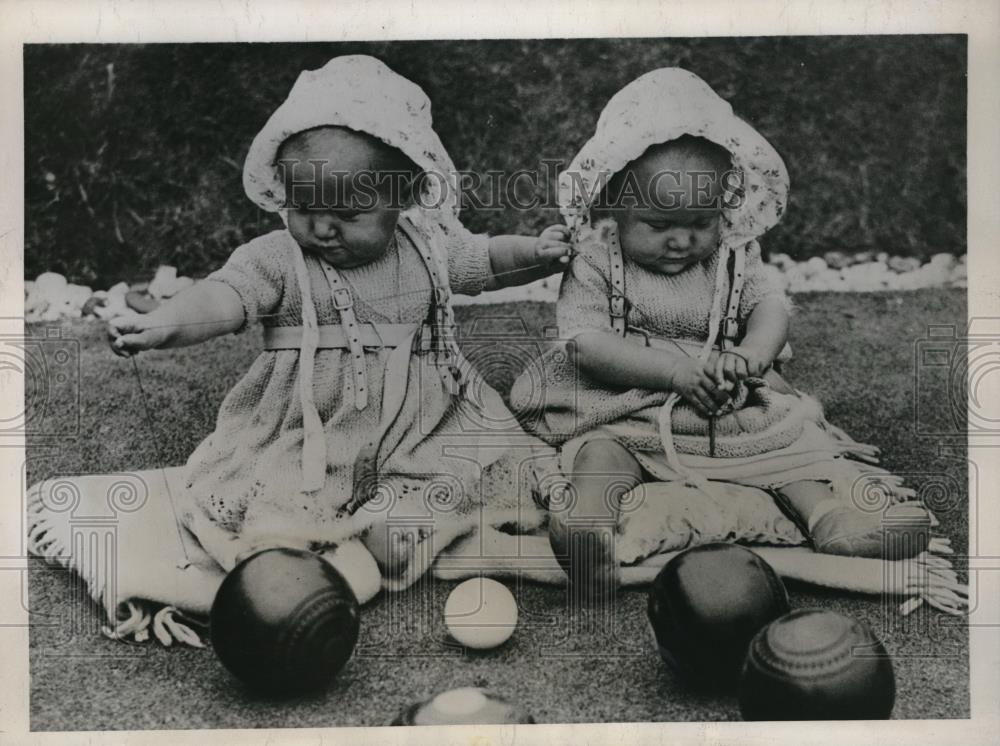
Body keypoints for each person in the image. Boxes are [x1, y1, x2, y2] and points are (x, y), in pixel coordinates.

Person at [106, 55, 567, 587]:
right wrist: (165, 325)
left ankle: (436, 535)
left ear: (404, 199)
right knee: (284, 503)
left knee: (469, 467)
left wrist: (537, 251)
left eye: (348, 215)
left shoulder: (426, 245)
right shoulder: (279, 259)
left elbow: (485, 261)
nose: (323, 228)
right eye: (304, 207)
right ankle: (324, 553)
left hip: (424, 421)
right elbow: (224, 298)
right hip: (317, 427)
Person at [509, 67, 932, 598]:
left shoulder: (732, 255)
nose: (681, 241)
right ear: (613, 205)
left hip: (721, 403)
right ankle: (586, 522)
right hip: (623, 398)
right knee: (601, 453)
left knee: (786, 449)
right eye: (658, 226)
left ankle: (833, 522)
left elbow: (770, 304)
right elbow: (585, 342)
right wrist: (675, 371)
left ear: (723, 208)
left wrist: (752, 356)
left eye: (700, 222)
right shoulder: (597, 259)